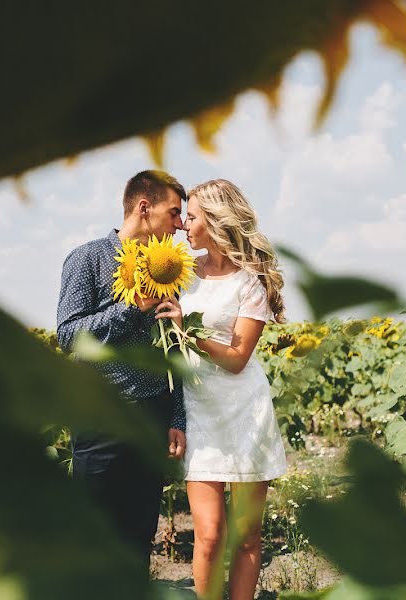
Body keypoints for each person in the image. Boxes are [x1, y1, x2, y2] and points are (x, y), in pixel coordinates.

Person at [156, 179, 287, 599]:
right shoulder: (181, 273)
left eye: (190, 217)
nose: (183, 226)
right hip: (199, 410)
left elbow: (236, 359)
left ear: (214, 221)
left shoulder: (251, 282)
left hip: (245, 411)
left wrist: (187, 331)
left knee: (247, 537)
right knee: (210, 536)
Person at [56, 169, 188, 574]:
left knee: (139, 533)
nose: (181, 225)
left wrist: (177, 417)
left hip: (151, 418)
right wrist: (135, 307)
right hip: (101, 419)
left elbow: (173, 353)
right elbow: (69, 335)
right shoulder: (88, 259)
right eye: (174, 213)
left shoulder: (167, 270)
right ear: (144, 209)